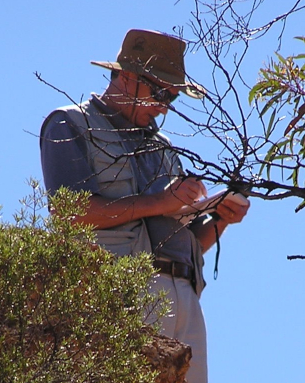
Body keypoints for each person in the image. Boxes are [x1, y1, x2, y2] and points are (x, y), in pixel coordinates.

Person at [39, 29, 250, 383]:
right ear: (126, 76)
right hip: (119, 288)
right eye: (161, 92)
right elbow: (70, 212)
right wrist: (160, 202)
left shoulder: (163, 147)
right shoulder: (70, 123)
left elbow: (184, 242)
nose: (165, 105)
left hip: (186, 298)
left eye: (173, 97)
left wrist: (220, 217)